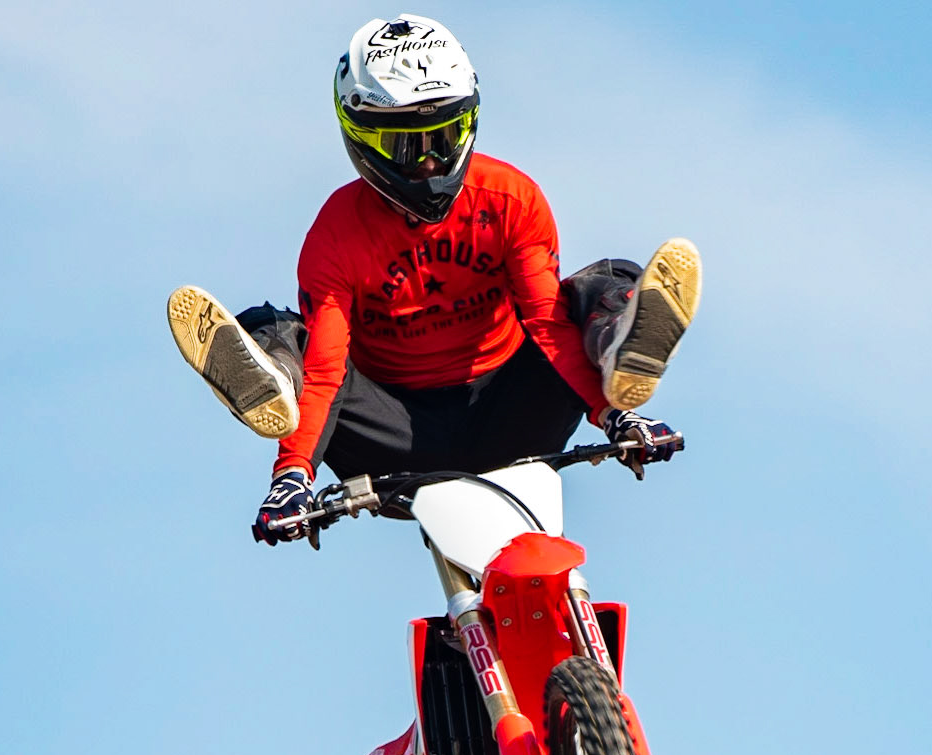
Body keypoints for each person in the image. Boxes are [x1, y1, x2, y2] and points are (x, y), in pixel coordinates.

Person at [166, 13, 700, 544]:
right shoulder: (336, 235)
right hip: (392, 438)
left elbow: (547, 324)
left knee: (600, 285)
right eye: (405, 146)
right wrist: (292, 474)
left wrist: (614, 414)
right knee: (274, 328)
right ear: (361, 139)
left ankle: (619, 348)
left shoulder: (510, 199)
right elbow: (328, 368)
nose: (428, 163)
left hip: (515, 412)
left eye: (444, 138)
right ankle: (275, 384)